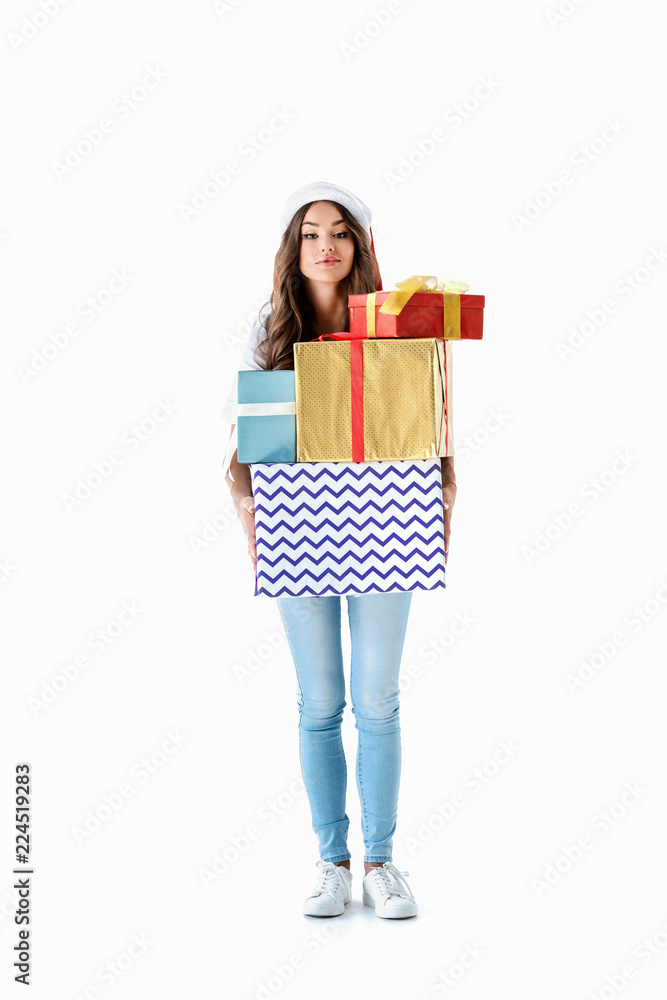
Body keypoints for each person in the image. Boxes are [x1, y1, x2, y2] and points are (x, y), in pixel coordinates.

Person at [221, 182, 457, 919]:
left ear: (360, 247)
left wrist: (443, 505)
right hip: (298, 529)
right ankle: (331, 862)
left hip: (388, 522)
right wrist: (253, 526)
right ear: (292, 251)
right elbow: (241, 453)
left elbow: (437, 429)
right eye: (310, 233)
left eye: (340, 233)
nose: (325, 245)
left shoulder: (398, 328)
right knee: (320, 702)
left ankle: (381, 863)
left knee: (377, 700)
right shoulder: (266, 330)